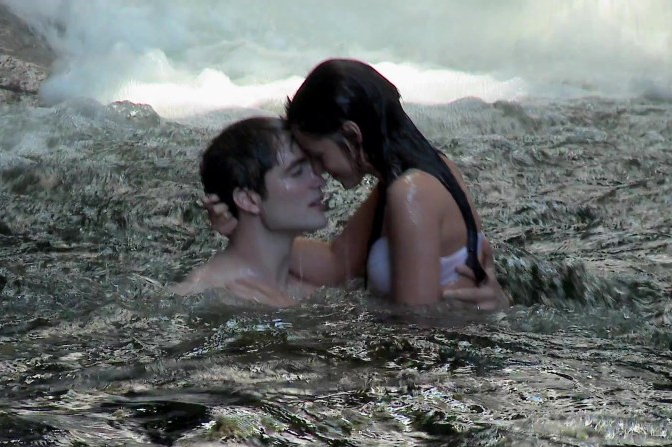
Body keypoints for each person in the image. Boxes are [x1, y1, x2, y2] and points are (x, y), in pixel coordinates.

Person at [204, 59, 508, 310]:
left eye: (319, 156)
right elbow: (337, 264)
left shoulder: (412, 193)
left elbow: (416, 330)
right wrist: (245, 227)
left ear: (352, 135)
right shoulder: (408, 178)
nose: (319, 171)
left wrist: (294, 315)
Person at [172, 117, 326, 307]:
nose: (320, 180)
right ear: (249, 200)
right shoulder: (199, 297)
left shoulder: (308, 293)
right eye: (296, 172)